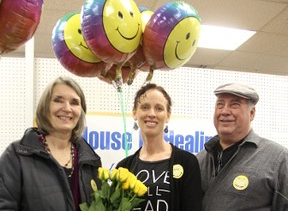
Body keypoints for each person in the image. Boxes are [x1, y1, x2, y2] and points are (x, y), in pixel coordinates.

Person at [0, 76, 102, 211]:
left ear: (81, 111)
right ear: (45, 106)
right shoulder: (17, 155)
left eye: (74, 103)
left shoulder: (91, 160)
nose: (67, 108)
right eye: (58, 100)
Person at [196, 82, 288, 211]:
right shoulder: (199, 160)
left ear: (252, 113)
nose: (225, 111)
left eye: (235, 105)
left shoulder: (279, 159)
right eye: (220, 104)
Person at [117, 83, 203, 211]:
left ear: (167, 115)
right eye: (145, 107)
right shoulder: (124, 167)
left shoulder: (187, 162)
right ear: (135, 113)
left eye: (159, 108)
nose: (152, 114)